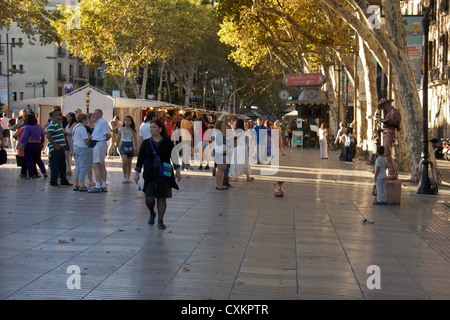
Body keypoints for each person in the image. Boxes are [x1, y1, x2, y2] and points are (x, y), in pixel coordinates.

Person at [134, 119, 181, 229]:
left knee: (161, 197)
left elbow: (174, 157)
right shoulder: (146, 143)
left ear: (160, 129)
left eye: (153, 127)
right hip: (150, 174)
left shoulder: (167, 142)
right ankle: (152, 212)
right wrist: (137, 173)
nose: (151, 129)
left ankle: (160, 221)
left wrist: (177, 170)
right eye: (150, 127)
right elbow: (140, 159)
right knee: (149, 198)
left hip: (164, 174)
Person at [376, 98, 401, 180]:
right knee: (386, 152)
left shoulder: (394, 111)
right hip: (387, 132)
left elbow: (394, 122)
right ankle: (392, 172)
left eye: (384, 106)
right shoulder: (390, 112)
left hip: (390, 132)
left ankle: (392, 173)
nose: (383, 108)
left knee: (387, 152)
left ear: (387, 104)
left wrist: (382, 120)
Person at [46, 109, 72, 188]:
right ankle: (53, 182)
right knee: (55, 166)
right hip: (56, 149)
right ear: (55, 116)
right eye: (60, 115)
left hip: (61, 148)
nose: (62, 116)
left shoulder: (59, 124)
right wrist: (55, 145)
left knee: (62, 165)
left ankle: (63, 181)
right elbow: (49, 135)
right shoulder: (52, 124)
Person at [88, 109, 111, 193]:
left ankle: (98, 185)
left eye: (95, 114)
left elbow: (107, 135)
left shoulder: (102, 123)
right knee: (100, 164)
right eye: (93, 114)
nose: (93, 116)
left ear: (100, 115)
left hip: (99, 143)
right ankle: (103, 184)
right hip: (98, 143)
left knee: (96, 164)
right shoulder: (98, 123)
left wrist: (102, 141)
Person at [18, 114, 47, 179]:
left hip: (29, 144)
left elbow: (25, 137)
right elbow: (42, 135)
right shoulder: (39, 127)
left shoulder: (27, 127)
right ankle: (44, 172)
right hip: (38, 144)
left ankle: (31, 175)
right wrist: (42, 142)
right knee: (38, 159)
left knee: (28, 160)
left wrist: (20, 143)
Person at [72, 113, 92, 191]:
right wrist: (91, 137)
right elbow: (85, 140)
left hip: (75, 147)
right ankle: (82, 184)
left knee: (78, 167)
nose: (87, 121)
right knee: (83, 167)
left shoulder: (75, 127)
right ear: (83, 120)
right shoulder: (82, 128)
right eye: (87, 119)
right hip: (82, 148)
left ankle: (76, 184)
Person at [230, 119, 254, 183]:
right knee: (246, 163)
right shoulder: (245, 132)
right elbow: (248, 142)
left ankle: (235, 177)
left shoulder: (234, 132)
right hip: (244, 149)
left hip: (236, 149)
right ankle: (248, 177)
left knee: (236, 163)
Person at [118, 115, 138, 183]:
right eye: (126, 120)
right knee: (124, 161)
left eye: (128, 120)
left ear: (131, 122)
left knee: (129, 163)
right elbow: (118, 138)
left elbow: (135, 140)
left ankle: (128, 177)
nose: (127, 121)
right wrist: (116, 146)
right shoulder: (121, 129)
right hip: (123, 144)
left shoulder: (133, 130)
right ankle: (124, 176)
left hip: (130, 145)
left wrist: (136, 148)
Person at [213, 120, 228, 190]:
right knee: (220, 169)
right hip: (220, 153)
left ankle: (220, 184)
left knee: (222, 169)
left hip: (223, 153)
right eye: (223, 125)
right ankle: (219, 184)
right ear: (219, 126)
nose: (224, 126)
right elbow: (220, 143)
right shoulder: (218, 133)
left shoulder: (221, 133)